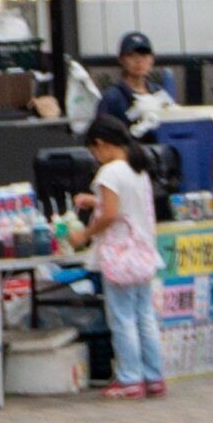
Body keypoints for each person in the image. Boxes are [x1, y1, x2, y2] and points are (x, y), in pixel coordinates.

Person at [69, 108, 166, 397]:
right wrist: (93, 200)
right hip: (142, 253)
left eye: (93, 151)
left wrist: (84, 234)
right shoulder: (137, 168)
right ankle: (153, 376)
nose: (94, 157)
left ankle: (129, 378)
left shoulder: (109, 172)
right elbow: (124, 206)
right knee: (145, 316)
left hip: (119, 256)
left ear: (100, 143)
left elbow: (110, 214)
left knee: (122, 318)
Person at [98, 31, 169, 135]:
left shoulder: (159, 93)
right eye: (132, 55)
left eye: (144, 55)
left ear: (152, 59)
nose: (139, 60)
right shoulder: (112, 97)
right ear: (121, 60)